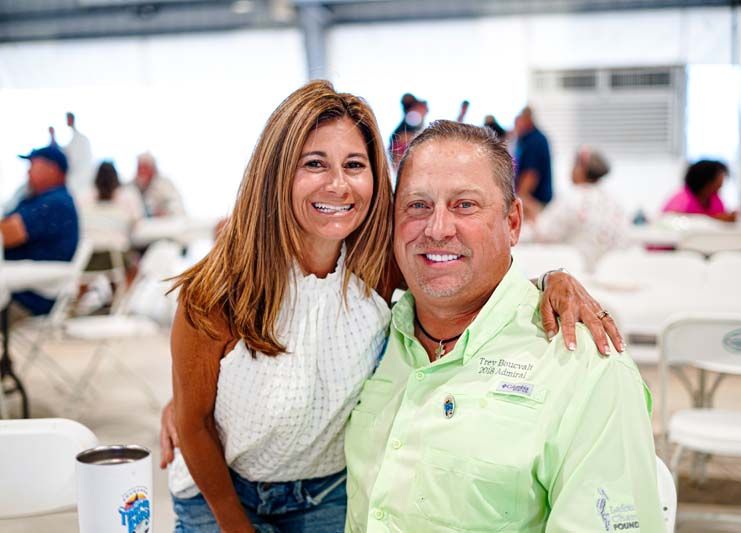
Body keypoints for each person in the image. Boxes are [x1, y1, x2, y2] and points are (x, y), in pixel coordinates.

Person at [159, 81, 623, 533]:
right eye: (315, 163)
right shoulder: (216, 292)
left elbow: (466, 273)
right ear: (276, 172)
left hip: (326, 491)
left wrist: (550, 281)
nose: (338, 185)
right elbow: (194, 424)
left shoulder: (376, 267)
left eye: (355, 164)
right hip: (220, 491)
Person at [344, 120, 662, 532]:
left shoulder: (585, 367)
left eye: (465, 205)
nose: (437, 228)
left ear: (513, 223)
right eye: (417, 205)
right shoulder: (374, 335)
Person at [1, 144, 79, 315]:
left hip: (31, 294)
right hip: (21, 285)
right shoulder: (38, 199)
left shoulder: (55, 203)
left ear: (52, 170)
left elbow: (8, 234)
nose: (28, 172)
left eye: (33, 166)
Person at [527, 146, 628, 272]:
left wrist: (532, 215)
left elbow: (544, 234)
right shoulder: (614, 201)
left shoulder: (571, 198)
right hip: (611, 275)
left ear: (581, 169)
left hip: (578, 276)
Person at [662, 159, 736, 222]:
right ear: (706, 182)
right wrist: (714, 219)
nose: (721, 184)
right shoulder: (682, 200)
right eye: (717, 182)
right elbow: (671, 221)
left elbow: (721, 216)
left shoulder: (714, 199)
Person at [515, 106, 553, 220]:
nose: (516, 126)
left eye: (518, 122)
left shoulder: (534, 141)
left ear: (527, 120)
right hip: (533, 200)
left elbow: (531, 174)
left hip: (534, 202)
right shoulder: (528, 139)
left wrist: (520, 198)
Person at [133, 152, 185, 217]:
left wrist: (164, 212)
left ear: (153, 169)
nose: (142, 172)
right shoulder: (132, 186)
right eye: (140, 168)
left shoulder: (165, 185)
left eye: (145, 168)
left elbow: (177, 207)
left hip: (165, 223)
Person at [64, 111, 94, 195]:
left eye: (67, 119)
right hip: (76, 180)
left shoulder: (81, 140)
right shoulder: (73, 141)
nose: (66, 122)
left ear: (71, 120)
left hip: (82, 180)